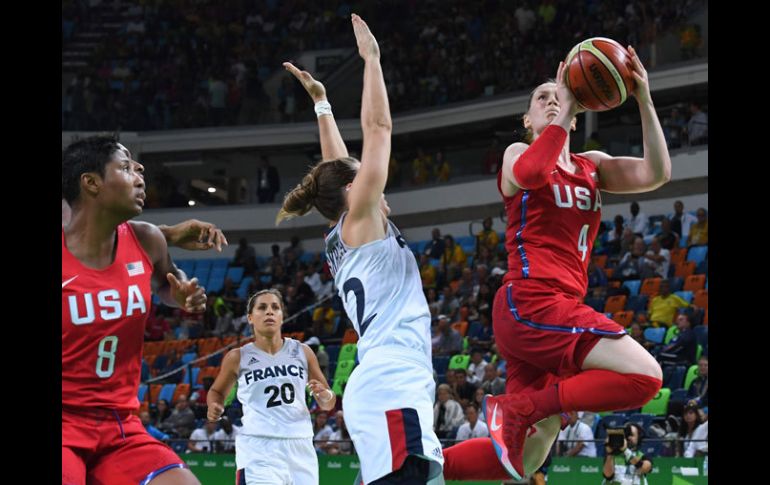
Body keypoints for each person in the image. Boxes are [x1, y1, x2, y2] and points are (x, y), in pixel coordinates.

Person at [482, 47, 669, 479]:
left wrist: (644, 98)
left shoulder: (592, 165)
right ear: (528, 121)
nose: (551, 99)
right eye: (541, 98)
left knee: (526, 458)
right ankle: (521, 406)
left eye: (558, 94)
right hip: (530, 301)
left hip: (554, 308)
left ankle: (418, 471)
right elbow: (532, 174)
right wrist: (564, 113)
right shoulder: (516, 153)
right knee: (646, 375)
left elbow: (655, 174)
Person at [277, 15, 444, 484]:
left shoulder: (341, 231)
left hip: (388, 378)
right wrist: (371, 60)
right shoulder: (361, 218)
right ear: (355, 190)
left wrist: (323, 106)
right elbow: (378, 128)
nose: (373, 179)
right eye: (363, 177)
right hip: (392, 377)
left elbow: (336, 167)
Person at [62, 135, 211, 485]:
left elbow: (166, 285)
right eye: (126, 168)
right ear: (91, 182)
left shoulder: (147, 240)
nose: (140, 178)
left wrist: (185, 297)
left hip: (121, 425)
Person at [206, 289, 335, 484]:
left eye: (275, 307)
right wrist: (214, 405)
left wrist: (325, 395)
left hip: (300, 446)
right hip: (259, 447)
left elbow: (328, 403)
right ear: (250, 317)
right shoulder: (237, 357)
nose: (269, 312)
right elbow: (216, 391)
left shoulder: (303, 352)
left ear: (282, 316)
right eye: (262, 307)